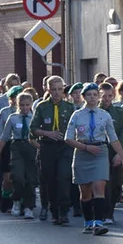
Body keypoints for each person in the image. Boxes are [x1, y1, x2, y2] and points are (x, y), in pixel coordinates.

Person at [63, 83, 123, 236]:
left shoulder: (105, 115)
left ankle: (98, 222)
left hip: (100, 152)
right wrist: (85, 148)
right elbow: (68, 138)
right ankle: (88, 221)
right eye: (89, 95)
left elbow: (113, 138)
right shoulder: (77, 115)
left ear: (98, 96)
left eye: (94, 94)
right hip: (82, 151)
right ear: (84, 97)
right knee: (85, 192)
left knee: (99, 188)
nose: (92, 97)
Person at [30, 76, 75, 224]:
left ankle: (64, 211)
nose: (56, 93)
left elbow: (74, 127)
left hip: (64, 147)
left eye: (60, 89)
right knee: (50, 179)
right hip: (47, 147)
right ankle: (53, 210)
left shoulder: (69, 107)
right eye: (53, 89)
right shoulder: (42, 107)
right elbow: (33, 129)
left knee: (63, 176)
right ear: (48, 90)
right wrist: (47, 133)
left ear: (63, 90)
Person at [0, 91, 39, 219]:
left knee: (30, 178)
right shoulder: (13, 118)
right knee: (17, 176)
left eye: (27, 105)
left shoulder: (35, 117)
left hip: (31, 146)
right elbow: (4, 137)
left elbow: (39, 135)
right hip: (17, 147)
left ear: (31, 105)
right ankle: (17, 200)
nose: (24, 108)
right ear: (18, 105)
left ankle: (29, 206)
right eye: (22, 105)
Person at [98, 82, 123, 225]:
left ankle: (111, 210)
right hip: (100, 150)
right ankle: (105, 213)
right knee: (105, 183)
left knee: (116, 183)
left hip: (115, 150)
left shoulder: (119, 112)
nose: (107, 99)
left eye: (110, 96)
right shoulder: (95, 111)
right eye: (104, 96)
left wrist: (119, 154)